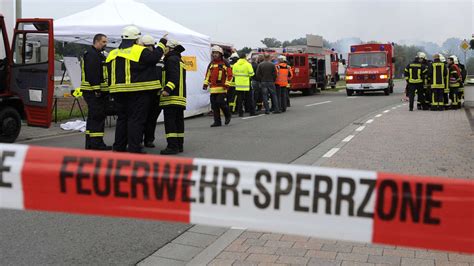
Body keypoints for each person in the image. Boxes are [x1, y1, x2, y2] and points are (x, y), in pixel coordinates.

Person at [106, 26, 167, 153]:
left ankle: (119, 147)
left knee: (122, 120)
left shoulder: (112, 53)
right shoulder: (138, 50)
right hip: (137, 93)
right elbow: (154, 58)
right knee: (136, 120)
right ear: (136, 39)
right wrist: (162, 43)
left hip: (117, 93)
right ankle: (134, 148)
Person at [80, 33, 111, 150]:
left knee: (93, 117)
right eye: (103, 42)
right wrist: (97, 89)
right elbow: (93, 74)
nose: (105, 44)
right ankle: (97, 144)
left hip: (93, 91)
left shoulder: (96, 54)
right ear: (97, 41)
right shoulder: (92, 55)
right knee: (98, 117)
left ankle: (90, 143)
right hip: (93, 91)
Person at [159, 40, 187, 155]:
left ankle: (172, 146)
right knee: (178, 121)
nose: (164, 49)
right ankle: (179, 145)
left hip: (172, 97)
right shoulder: (179, 59)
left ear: (170, 48)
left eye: (166, 47)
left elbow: (174, 77)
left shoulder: (171, 60)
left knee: (170, 122)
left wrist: (167, 89)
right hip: (180, 97)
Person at [140, 35, 164, 148]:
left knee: (152, 118)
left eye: (146, 46)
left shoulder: (159, 58)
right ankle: (139, 139)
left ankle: (149, 139)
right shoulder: (142, 57)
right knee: (141, 118)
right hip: (144, 92)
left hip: (156, 93)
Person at [203, 46, 232, 127]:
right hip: (213, 88)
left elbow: (230, 75)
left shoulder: (225, 63)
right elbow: (208, 74)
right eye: (214, 53)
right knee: (214, 105)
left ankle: (227, 115)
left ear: (220, 54)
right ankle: (217, 122)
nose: (215, 54)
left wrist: (227, 84)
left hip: (222, 88)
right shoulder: (211, 64)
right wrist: (205, 83)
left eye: (216, 53)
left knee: (220, 102)